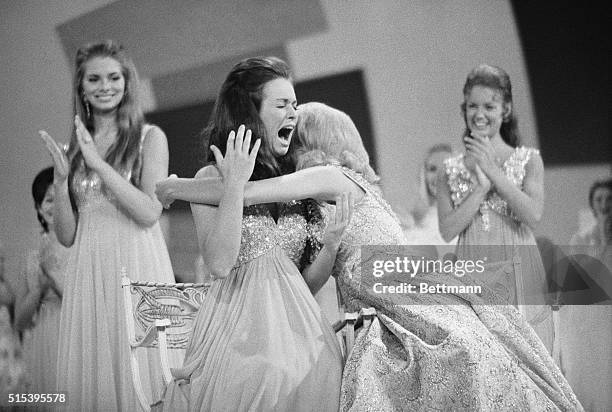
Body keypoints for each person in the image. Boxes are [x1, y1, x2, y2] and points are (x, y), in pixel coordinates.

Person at [157, 101, 583, 410]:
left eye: (297, 136)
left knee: (455, 355)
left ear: (315, 142)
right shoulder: (323, 195)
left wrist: (175, 187)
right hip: (381, 299)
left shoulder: (330, 177)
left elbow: (247, 189)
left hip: (396, 290)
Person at [161, 57, 343, 411]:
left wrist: (331, 246)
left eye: (295, 104)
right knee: (269, 374)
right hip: (238, 336)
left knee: (326, 367)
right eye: (281, 104)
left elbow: (302, 286)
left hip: (300, 334)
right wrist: (233, 184)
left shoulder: (294, 186)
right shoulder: (209, 179)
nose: (294, 113)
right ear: (251, 114)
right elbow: (218, 263)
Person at [38, 40, 176, 410]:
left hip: (136, 264)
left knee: (143, 377)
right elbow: (66, 236)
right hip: (89, 270)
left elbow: (149, 212)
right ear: (81, 87)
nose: (105, 86)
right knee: (99, 374)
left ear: (127, 83)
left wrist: (98, 163)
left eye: (114, 77)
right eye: (94, 79)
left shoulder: (150, 138)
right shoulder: (75, 148)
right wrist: (62, 179)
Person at [437, 64, 554, 352]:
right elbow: (447, 230)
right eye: (472, 106)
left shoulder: (528, 160)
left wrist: (493, 172)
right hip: (473, 268)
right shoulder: (449, 169)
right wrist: (481, 188)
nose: (479, 114)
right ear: (464, 109)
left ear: (506, 109)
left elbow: (533, 215)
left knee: (527, 359)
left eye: (489, 106)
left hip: (518, 268)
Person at [13, 167, 67, 394]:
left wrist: (53, 275)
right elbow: (19, 322)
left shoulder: (80, 250)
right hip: (40, 341)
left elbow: (83, 305)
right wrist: (38, 291)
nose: (54, 206)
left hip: (69, 337)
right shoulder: (32, 257)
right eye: (48, 200)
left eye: (59, 200)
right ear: (38, 207)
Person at [405, 144, 457, 252]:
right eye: (432, 169)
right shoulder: (410, 223)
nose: (439, 176)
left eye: (447, 167)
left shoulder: (473, 220)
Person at [570, 178, 612, 258]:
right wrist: (604, 240)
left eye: (610, 199)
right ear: (592, 206)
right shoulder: (579, 240)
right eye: (599, 200)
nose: (604, 206)